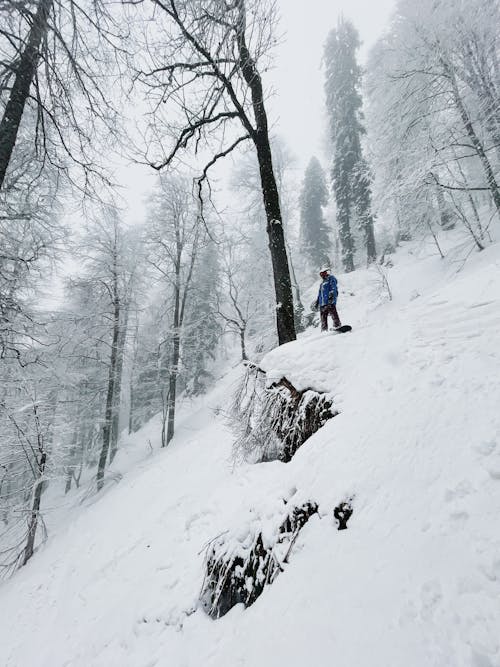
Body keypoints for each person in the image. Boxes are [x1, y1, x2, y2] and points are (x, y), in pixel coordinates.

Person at [314, 266, 342, 331]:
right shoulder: (322, 283)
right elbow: (320, 294)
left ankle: (337, 325)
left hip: (329, 301)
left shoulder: (331, 279)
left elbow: (334, 289)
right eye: (320, 274)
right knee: (323, 318)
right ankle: (324, 330)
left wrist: (331, 298)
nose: (321, 275)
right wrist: (317, 302)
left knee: (333, 314)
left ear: (326, 273)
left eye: (323, 273)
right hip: (322, 304)